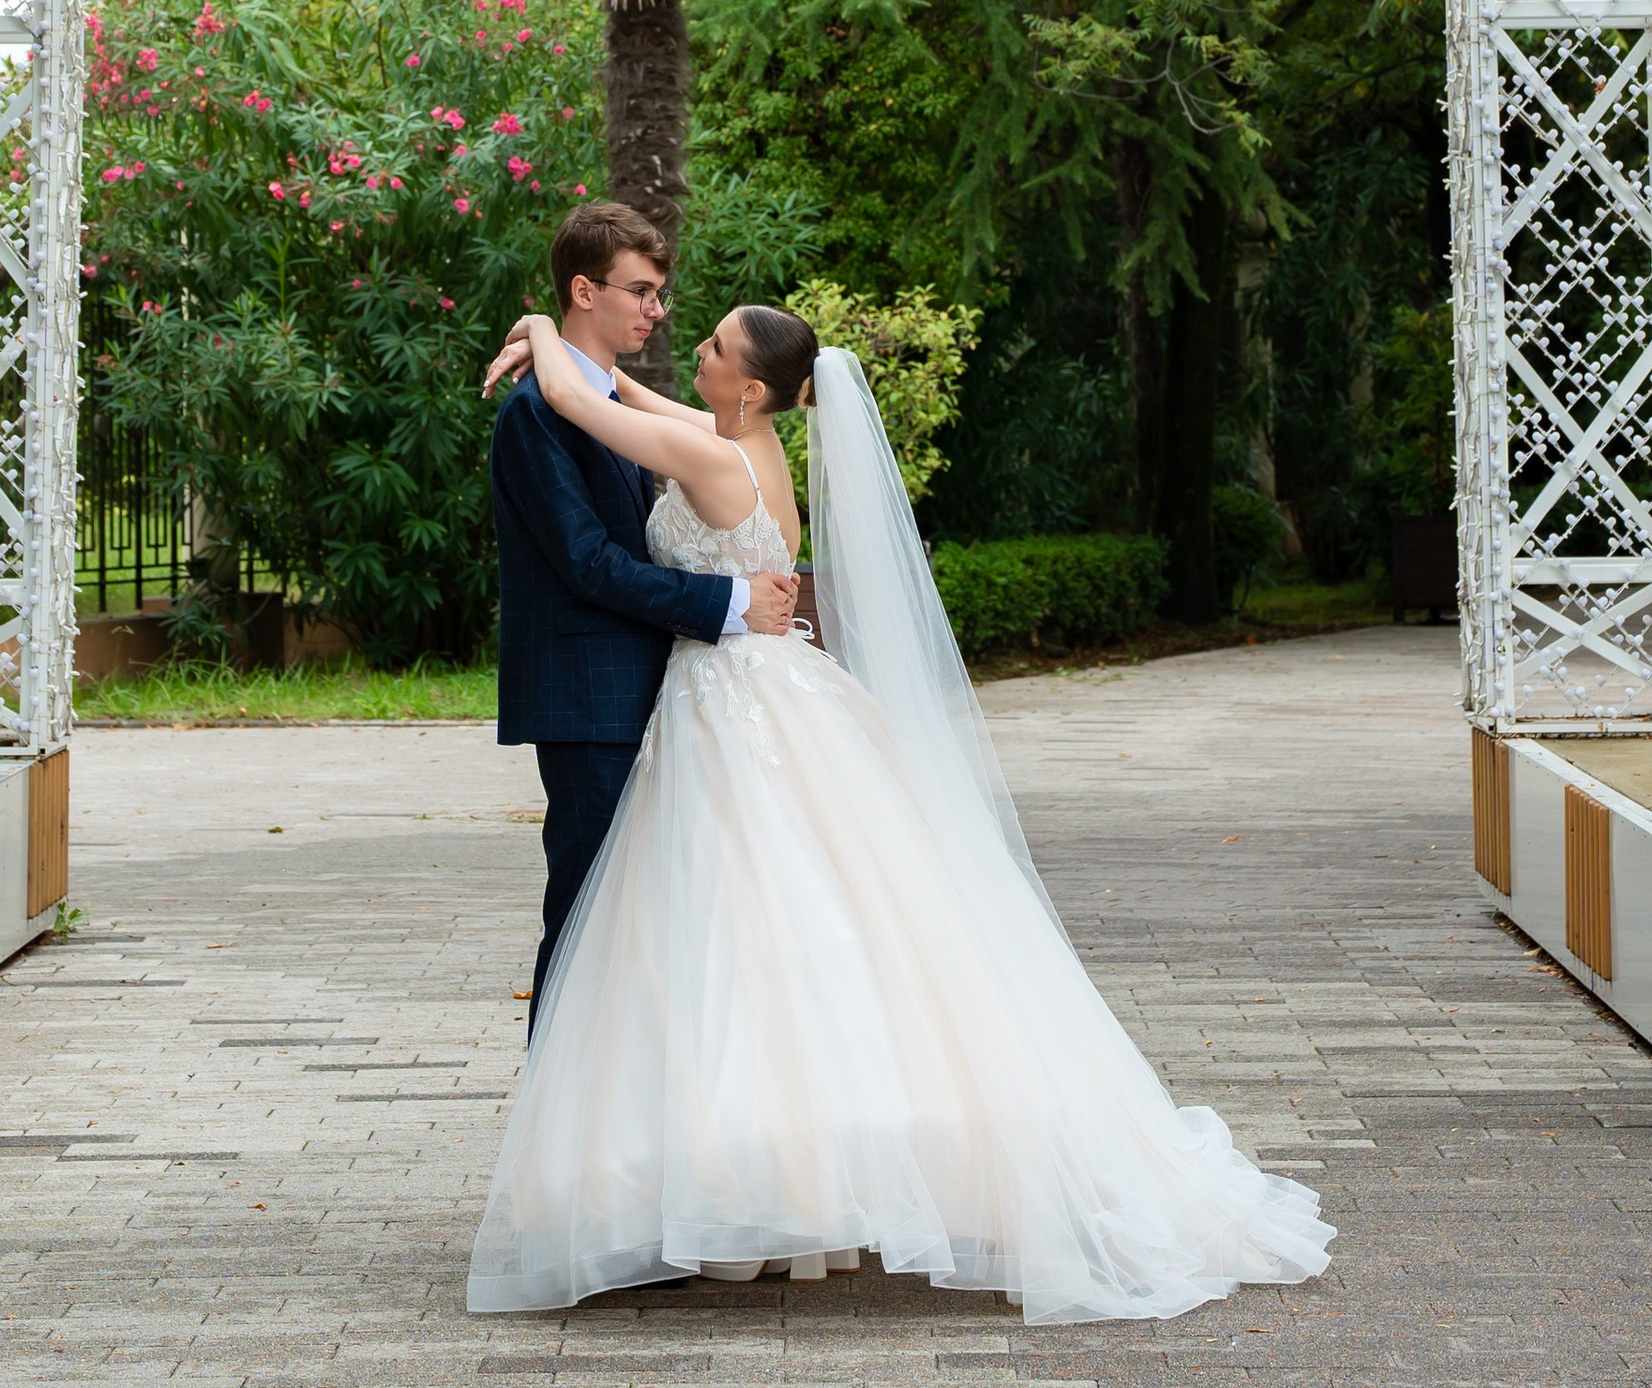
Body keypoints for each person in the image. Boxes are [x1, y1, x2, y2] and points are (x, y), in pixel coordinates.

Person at [469, 296, 1334, 1325]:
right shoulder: (744, 440)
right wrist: (585, 357)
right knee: (794, 919)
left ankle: (759, 1180)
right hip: (766, 688)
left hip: (728, 701)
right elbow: (625, 395)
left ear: (749, 386)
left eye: (713, 345)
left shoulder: (706, 452)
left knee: (741, 921)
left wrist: (538, 325)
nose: (692, 346)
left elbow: (580, 401)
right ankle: (786, 1184)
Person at [487, 201, 799, 1028]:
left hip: (661, 697)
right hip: (589, 700)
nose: (659, 311)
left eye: (660, 292)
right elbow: (588, 562)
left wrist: (539, 330)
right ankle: (555, 1095)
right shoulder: (536, 411)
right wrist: (731, 600)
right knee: (587, 918)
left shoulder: (610, 404)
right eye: (641, 291)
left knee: (647, 924)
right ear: (584, 291)